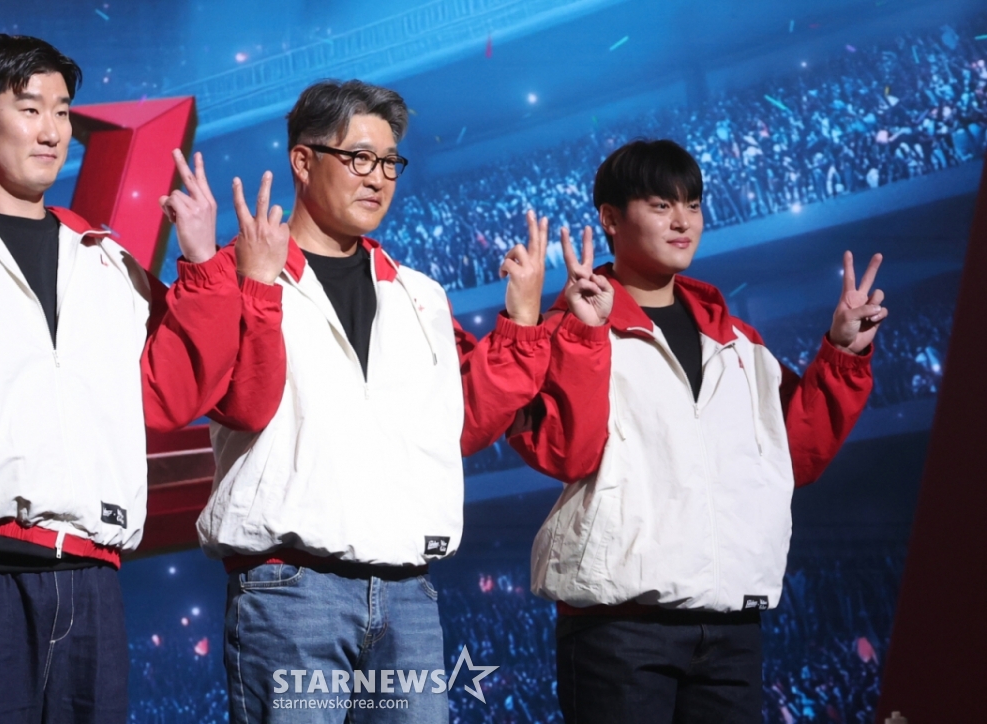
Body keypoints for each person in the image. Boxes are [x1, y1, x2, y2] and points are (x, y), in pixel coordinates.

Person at [0, 34, 252, 723]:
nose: (52, 131)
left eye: (62, 112)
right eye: (30, 108)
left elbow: (172, 397)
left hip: (92, 577)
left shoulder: (106, 260)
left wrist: (201, 265)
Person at [170, 79, 553, 723]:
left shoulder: (420, 295)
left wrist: (519, 323)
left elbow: (455, 429)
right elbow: (236, 402)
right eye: (358, 158)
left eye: (389, 162)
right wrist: (252, 284)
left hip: (408, 592)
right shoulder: (239, 272)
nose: (377, 177)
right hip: (290, 588)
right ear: (303, 160)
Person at [509, 139, 887, 724]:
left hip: (731, 627)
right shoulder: (572, 327)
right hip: (619, 629)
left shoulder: (738, 340)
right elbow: (567, 451)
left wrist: (841, 356)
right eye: (661, 205)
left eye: (693, 204)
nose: (683, 221)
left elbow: (794, 457)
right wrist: (585, 338)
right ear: (610, 218)